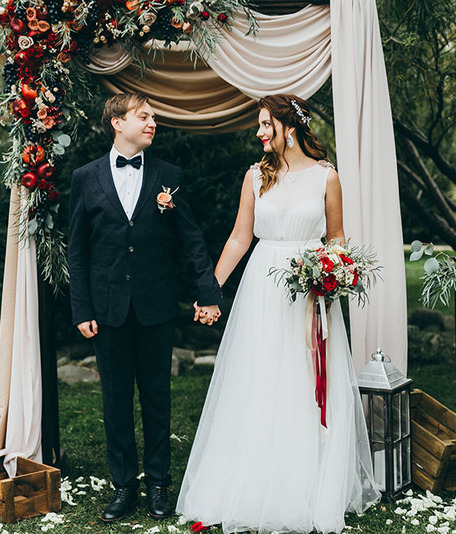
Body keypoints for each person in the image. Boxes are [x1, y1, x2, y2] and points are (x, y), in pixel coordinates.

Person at [177, 94, 381, 533]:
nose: (259, 132)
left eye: (266, 124)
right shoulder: (255, 176)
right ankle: (250, 482)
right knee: (259, 379)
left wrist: (332, 271)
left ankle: (306, 483)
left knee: (303, 382)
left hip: (309, 295)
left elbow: (337, 236)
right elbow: (238, 238)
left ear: (290, 128)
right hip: (262, 291)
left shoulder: (327, 177)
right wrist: (209, 290)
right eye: (259, 125)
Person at [68, 92, 222, 522]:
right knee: (115, 401)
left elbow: (190, 238)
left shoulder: (169, 176)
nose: (153, 122)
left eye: (153, 116)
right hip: (108, 309)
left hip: (155, 307)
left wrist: (207, 290)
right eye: (144, 116)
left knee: (157, 398)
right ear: (118, 123)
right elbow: (77, 250)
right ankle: (123, 488)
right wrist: (82, 309)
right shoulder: (86, 177)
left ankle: (158, 485)